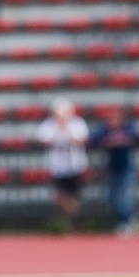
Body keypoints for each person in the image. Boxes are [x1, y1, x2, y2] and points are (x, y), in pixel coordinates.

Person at [36, 98, 88, 230]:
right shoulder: (49, 125)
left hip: (75, 165)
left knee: (74, 196)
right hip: (57, 166)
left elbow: (82, 140)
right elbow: (42, 140)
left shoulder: (76, 123)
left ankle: (72, 223)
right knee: (59, 197)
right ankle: (70, 220)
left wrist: (66, 130)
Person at [91, 105, 139, 236]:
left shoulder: (128, 127)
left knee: (125, 196)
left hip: (127, 166)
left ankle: (129, 220)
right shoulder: (105, 129)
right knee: (113, 197)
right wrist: (108, 141)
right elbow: (94, 139)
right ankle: (129, 219)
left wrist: (124, 140)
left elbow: (138, 137)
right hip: (112, 168)